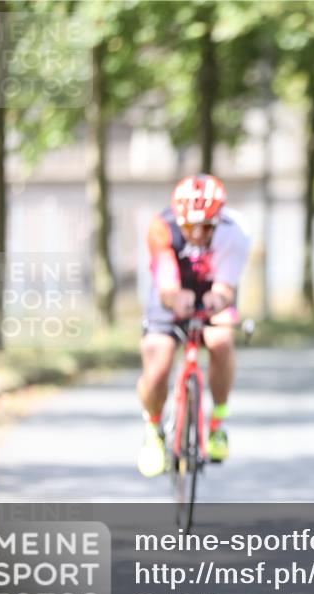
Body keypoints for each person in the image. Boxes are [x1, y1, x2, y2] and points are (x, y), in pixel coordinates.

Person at [136, 174, 250, 477]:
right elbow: (166, 282)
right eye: (189, 227)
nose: (198, 234)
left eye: (207, 227)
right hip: (173, 289)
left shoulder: (235, 232)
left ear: (219, 220)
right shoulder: (161, 228)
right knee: (157, 361)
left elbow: (225, 287)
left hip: (213, 288)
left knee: (221, 341)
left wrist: (218, 299)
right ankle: (153, 429)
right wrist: (175, 298)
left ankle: (218, 424)